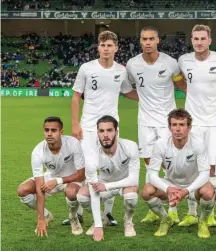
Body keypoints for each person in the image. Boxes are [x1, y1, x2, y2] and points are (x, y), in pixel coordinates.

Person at [70, 30, 138, 226]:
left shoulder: (121, 70)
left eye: (109, 45)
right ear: (98, 47)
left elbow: (128, 92)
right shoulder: (86, 68)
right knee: (87, 168)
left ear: (116, 48)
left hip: (111, 126)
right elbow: (76, 97)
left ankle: (107, 213)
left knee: (112, 168)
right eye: (102, 45)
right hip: (89, 126)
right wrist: (75, 124)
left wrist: (152, 96)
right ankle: (84, 211)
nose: (106, 49)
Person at [125, 26, 186, 224]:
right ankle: (154, 208)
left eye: (152, 39)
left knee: (170, 164)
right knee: (149, 164)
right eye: (144, 39)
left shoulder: (170, 63)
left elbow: (182, 86)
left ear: (158, 40)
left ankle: (174, 208)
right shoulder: (132, 64)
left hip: (166, 122)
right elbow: (128, 90)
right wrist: (144, 101)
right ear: (140, 41)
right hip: (144, 122)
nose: (148, 42)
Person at [176, 24, 216, 227]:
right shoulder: (183, 60)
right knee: (193, 166)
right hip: (193, 122)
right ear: (191, 40)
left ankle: (209, 213)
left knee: (214, 167)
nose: (199, 42)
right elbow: (179, 81)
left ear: (210, 40)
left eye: (202, 38)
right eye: (195, 38)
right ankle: (192, 212)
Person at [141, 108, 216, 238]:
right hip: (171, 184)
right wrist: (167, 188)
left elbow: (205, 174)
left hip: (193, 186)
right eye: (174, 124)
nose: (178, 128)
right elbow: (152, 174)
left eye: (182, 125)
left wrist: (186, 191)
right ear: (169, 127)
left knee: (209, 191)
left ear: (189, 127)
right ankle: (166, 219)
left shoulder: (198, 143)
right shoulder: (161, 144)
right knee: (147, 190)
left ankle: (202, 221)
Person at [17, 116, 85, 237]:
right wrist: (41, 218)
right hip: (51, 177)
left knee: (71, 192)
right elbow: (39, 187)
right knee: (22, 190)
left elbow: (81, 175)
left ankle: (73, 217)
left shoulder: (73, 143)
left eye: (53, 130)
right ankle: (47, 215)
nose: (49, 134)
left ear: (61, 132)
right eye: (46, 130)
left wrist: (58, 181)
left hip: (72, 178)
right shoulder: (38, 151)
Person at [76, 115, 140, 241]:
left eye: (109, 130)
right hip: (103, 184)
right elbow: (94, 191)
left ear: (116, 132)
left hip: (124, 184)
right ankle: (100, 219)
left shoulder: (130, 146)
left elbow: (134, 180)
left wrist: (106, 186)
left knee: (131, 195)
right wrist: (98, 226)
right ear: (97, 133)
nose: (105, 135)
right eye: (101, 131)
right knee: (82, 196)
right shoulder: (92, 156)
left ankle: (128, 221)